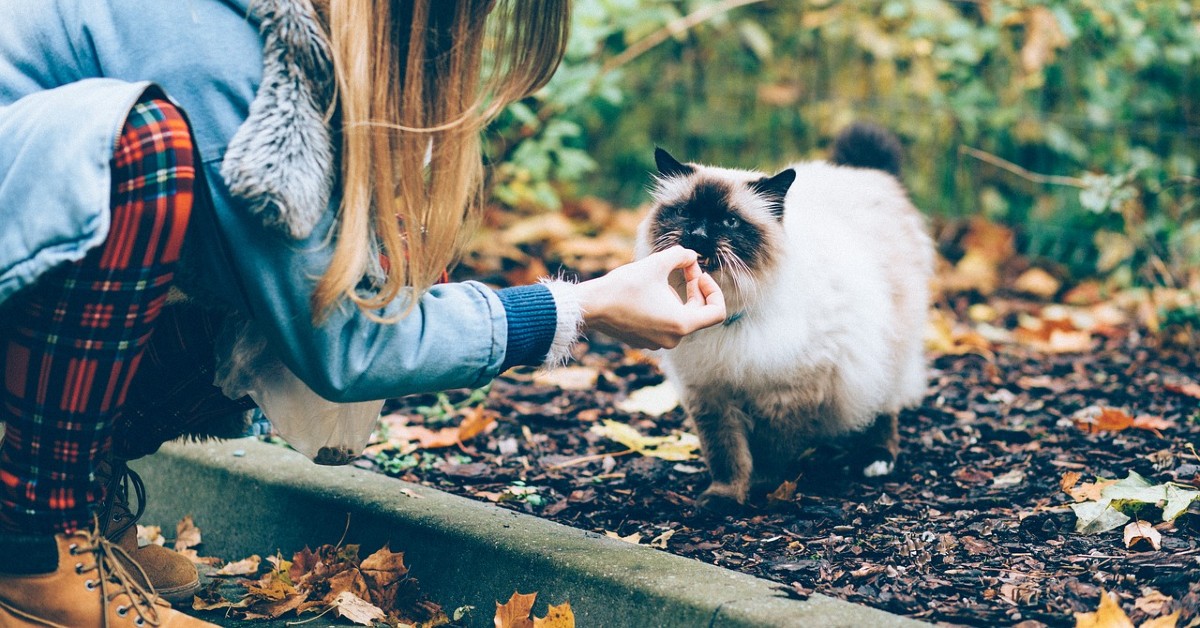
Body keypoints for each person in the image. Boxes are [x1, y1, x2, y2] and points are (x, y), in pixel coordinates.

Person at [0, 1, 726, 625]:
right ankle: (33, 545)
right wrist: (582, 306)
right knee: (143, 152)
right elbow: (344, 342)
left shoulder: (280, 40)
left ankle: (77, 501)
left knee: (256, 269)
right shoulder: (222, 50)